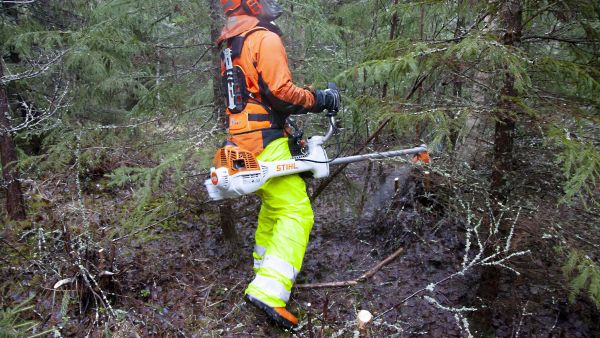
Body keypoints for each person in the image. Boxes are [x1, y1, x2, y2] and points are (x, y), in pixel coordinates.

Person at [217, 0, 340, 329]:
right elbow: (282, 93)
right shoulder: (263, 38)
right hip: (265, 141)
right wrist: (321, 99)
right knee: (296, 212)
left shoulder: (232, 44)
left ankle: (264, 269)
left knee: (274, 206)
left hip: (241, 139)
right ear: (252, 4)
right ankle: (269, 291)